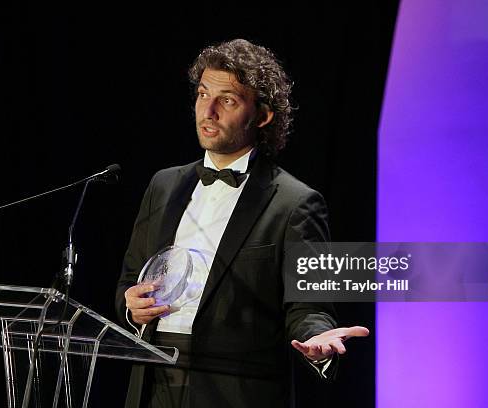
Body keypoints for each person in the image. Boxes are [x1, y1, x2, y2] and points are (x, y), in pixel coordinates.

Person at [115, 38, 368, 408]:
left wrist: (319, 341)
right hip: (152, 379)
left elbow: (309, 306)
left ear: (262, 116)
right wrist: (130, 306)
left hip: (236, 391)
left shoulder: (295, 203)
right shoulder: (163, 185)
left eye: (227, 100)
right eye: (203, 94)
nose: (208, 110)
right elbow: (129, 280)